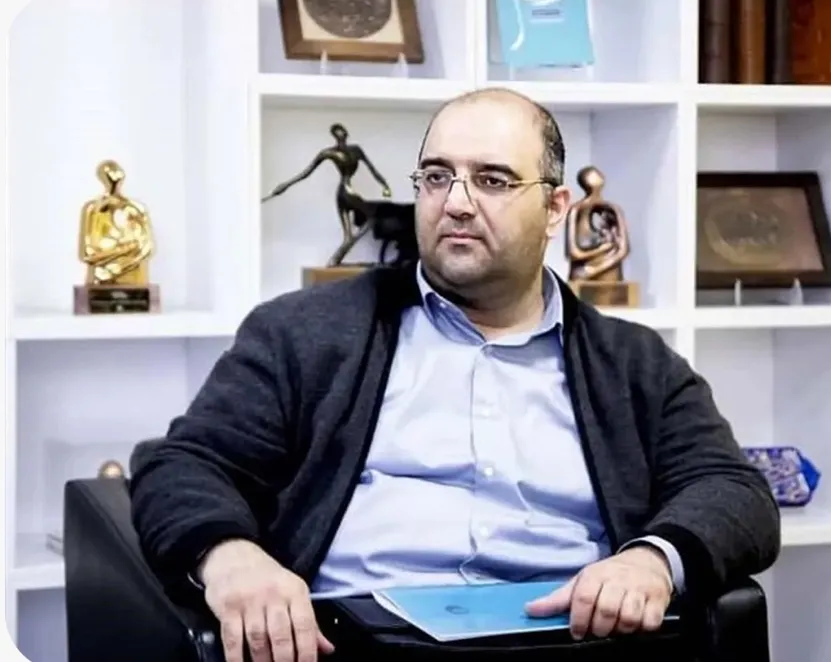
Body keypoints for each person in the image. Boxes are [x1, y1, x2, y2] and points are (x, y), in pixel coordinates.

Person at [129, 87, 781, 662]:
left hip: (571, 644)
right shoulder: (305, 335)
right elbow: (184, 464)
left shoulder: (634, 364)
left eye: (492, 180)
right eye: (437, 177)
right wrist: (230, 558)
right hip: (360, 643)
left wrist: (652, 561)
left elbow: (733, 491)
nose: (456, 203)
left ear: (555, 209)